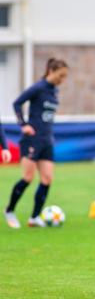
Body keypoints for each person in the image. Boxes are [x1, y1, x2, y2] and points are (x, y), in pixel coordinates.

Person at [4, 58, 68, 229]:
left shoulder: (54, 91)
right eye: (61, 75)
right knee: (28, 177)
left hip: (47, 140)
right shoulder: (38, 88)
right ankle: (9, 210)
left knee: (47, 178)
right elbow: (17, 103)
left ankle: (34, 218)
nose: (62, 79)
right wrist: (23, 124)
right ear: (51, 71)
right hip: (32, 139)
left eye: (65, 77)